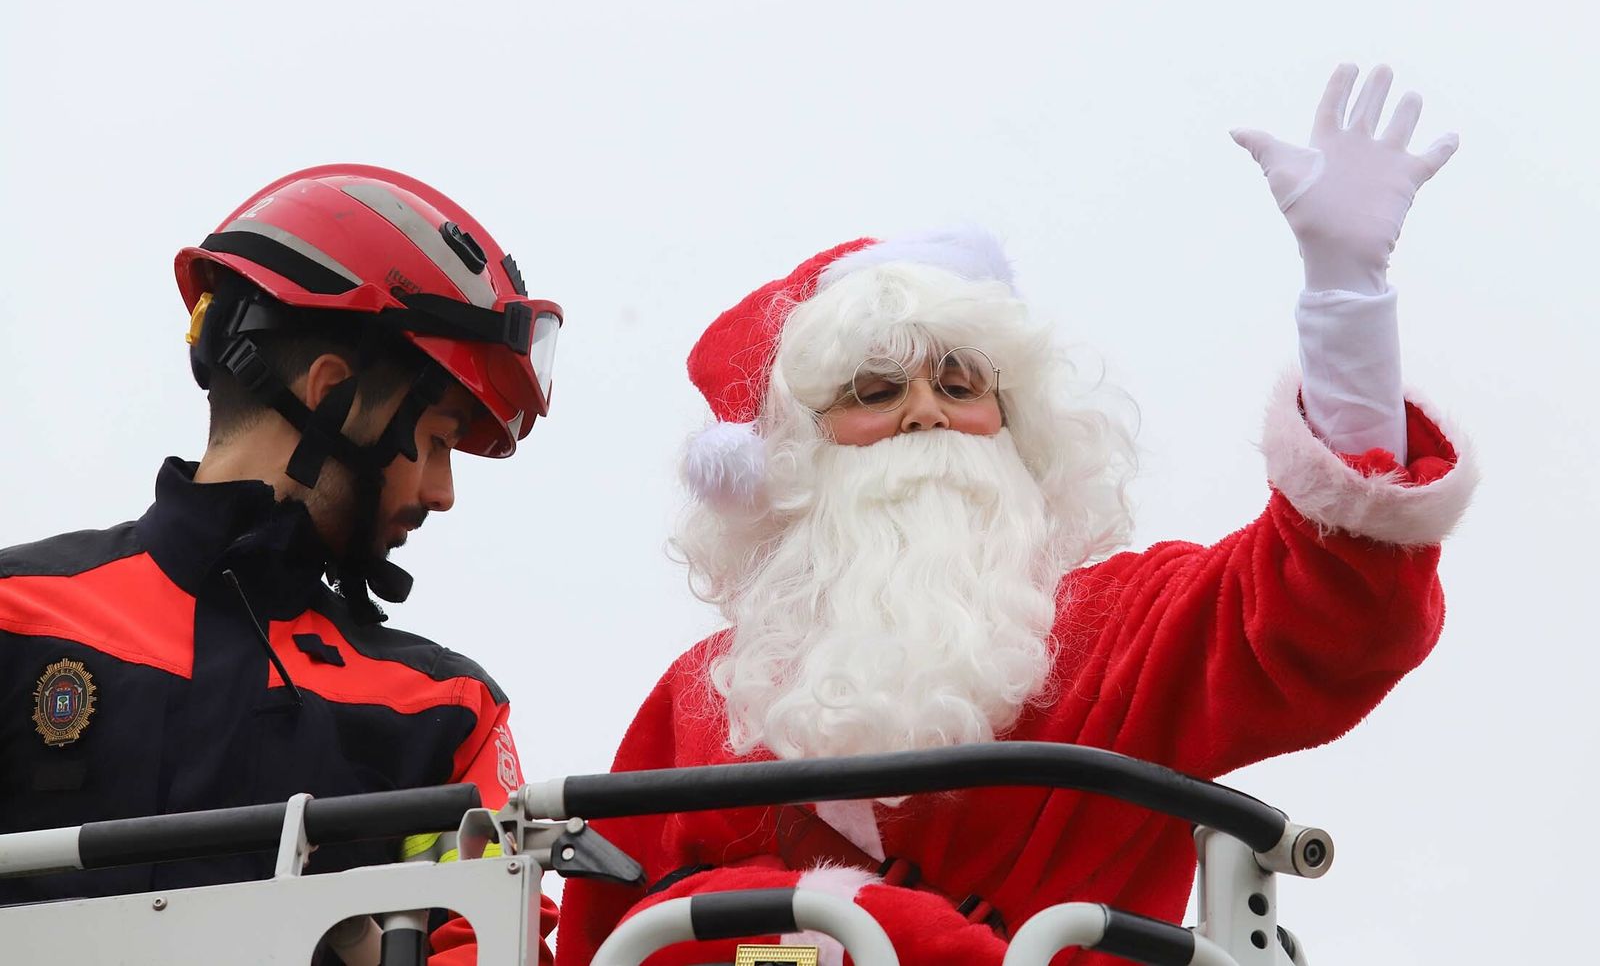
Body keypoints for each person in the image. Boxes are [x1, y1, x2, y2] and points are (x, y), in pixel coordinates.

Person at [554, 65, 1477, 966]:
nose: (927, 411)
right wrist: (837, 931)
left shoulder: (1123, 627)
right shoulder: (705, 699)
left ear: (1015, 419)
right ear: (800, 455)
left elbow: (1336, 610)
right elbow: (607, 931)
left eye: (960, 381)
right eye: (877, 389)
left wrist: (1346, 309)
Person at [0, 165, 562, 964]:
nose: (442, 492)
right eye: (436, 440)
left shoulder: (448, 714)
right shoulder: (15, 615)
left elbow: (506, 944)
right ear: (331, 392)